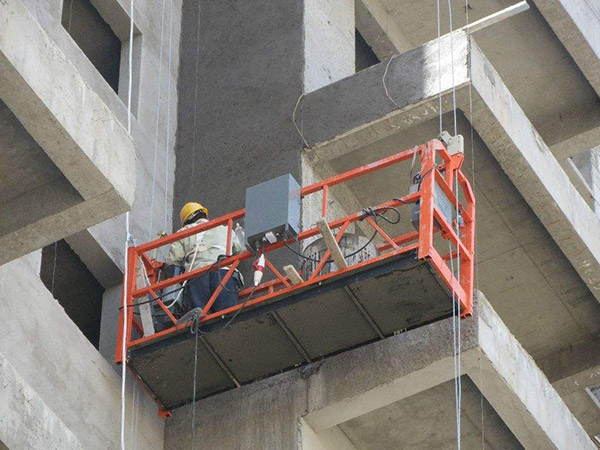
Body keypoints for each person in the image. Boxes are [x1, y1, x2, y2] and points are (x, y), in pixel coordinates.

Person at [166, 202, 245, 314]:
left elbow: (173, 261)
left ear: (186, 221)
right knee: (228, 316)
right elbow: (240, 250)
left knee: (201, 320)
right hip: (223, 274)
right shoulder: (224, 228)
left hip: (197, 277)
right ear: (204, 214)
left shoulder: (182, 233)